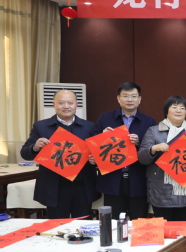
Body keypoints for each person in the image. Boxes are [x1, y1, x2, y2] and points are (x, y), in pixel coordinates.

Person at [20, 89, 99, 218]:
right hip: (54, 188)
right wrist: (35, 147)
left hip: (83, 187)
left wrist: (95, 159)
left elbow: (98, 154)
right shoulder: (41, 126)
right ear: (54, 104)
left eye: (70, 103)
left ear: (76, 104)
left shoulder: (89, 126)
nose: (66, 106)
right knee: (57, 225)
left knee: (82, 224)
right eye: (61, 103)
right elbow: (25, 153)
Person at [92, 82, 156, 220]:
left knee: (138, 222)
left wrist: (139, 143)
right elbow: (92, 146)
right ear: (118, 98)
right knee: (113, 223)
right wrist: (103, 137)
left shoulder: (149, 121)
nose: (129, 99)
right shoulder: (105, 118)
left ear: (139, 99)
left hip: (138, 179)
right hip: (112, 179)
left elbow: (153, 150)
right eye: (125, 96)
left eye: (133, 96)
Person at [138, 96, 186, 221]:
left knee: (182, 228)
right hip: (161, 190)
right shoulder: (154, 131)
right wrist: (154, 148)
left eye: (182, 108)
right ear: (166, 111)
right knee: (165, 228)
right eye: (174, 107)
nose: (178, 110)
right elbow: (142, 158)